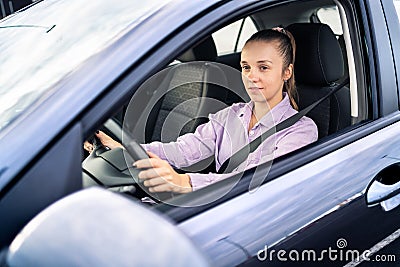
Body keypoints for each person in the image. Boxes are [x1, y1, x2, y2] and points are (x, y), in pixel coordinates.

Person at [90, 27, 318, 194]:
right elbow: (185, 150)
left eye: (263, 68)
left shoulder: (302, 131)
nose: (251, 77)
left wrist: (184, 182)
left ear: (286, 72)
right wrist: (128, 150)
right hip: (214, 200)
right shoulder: (230, 114)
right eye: (246, 67)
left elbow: (254, 183)